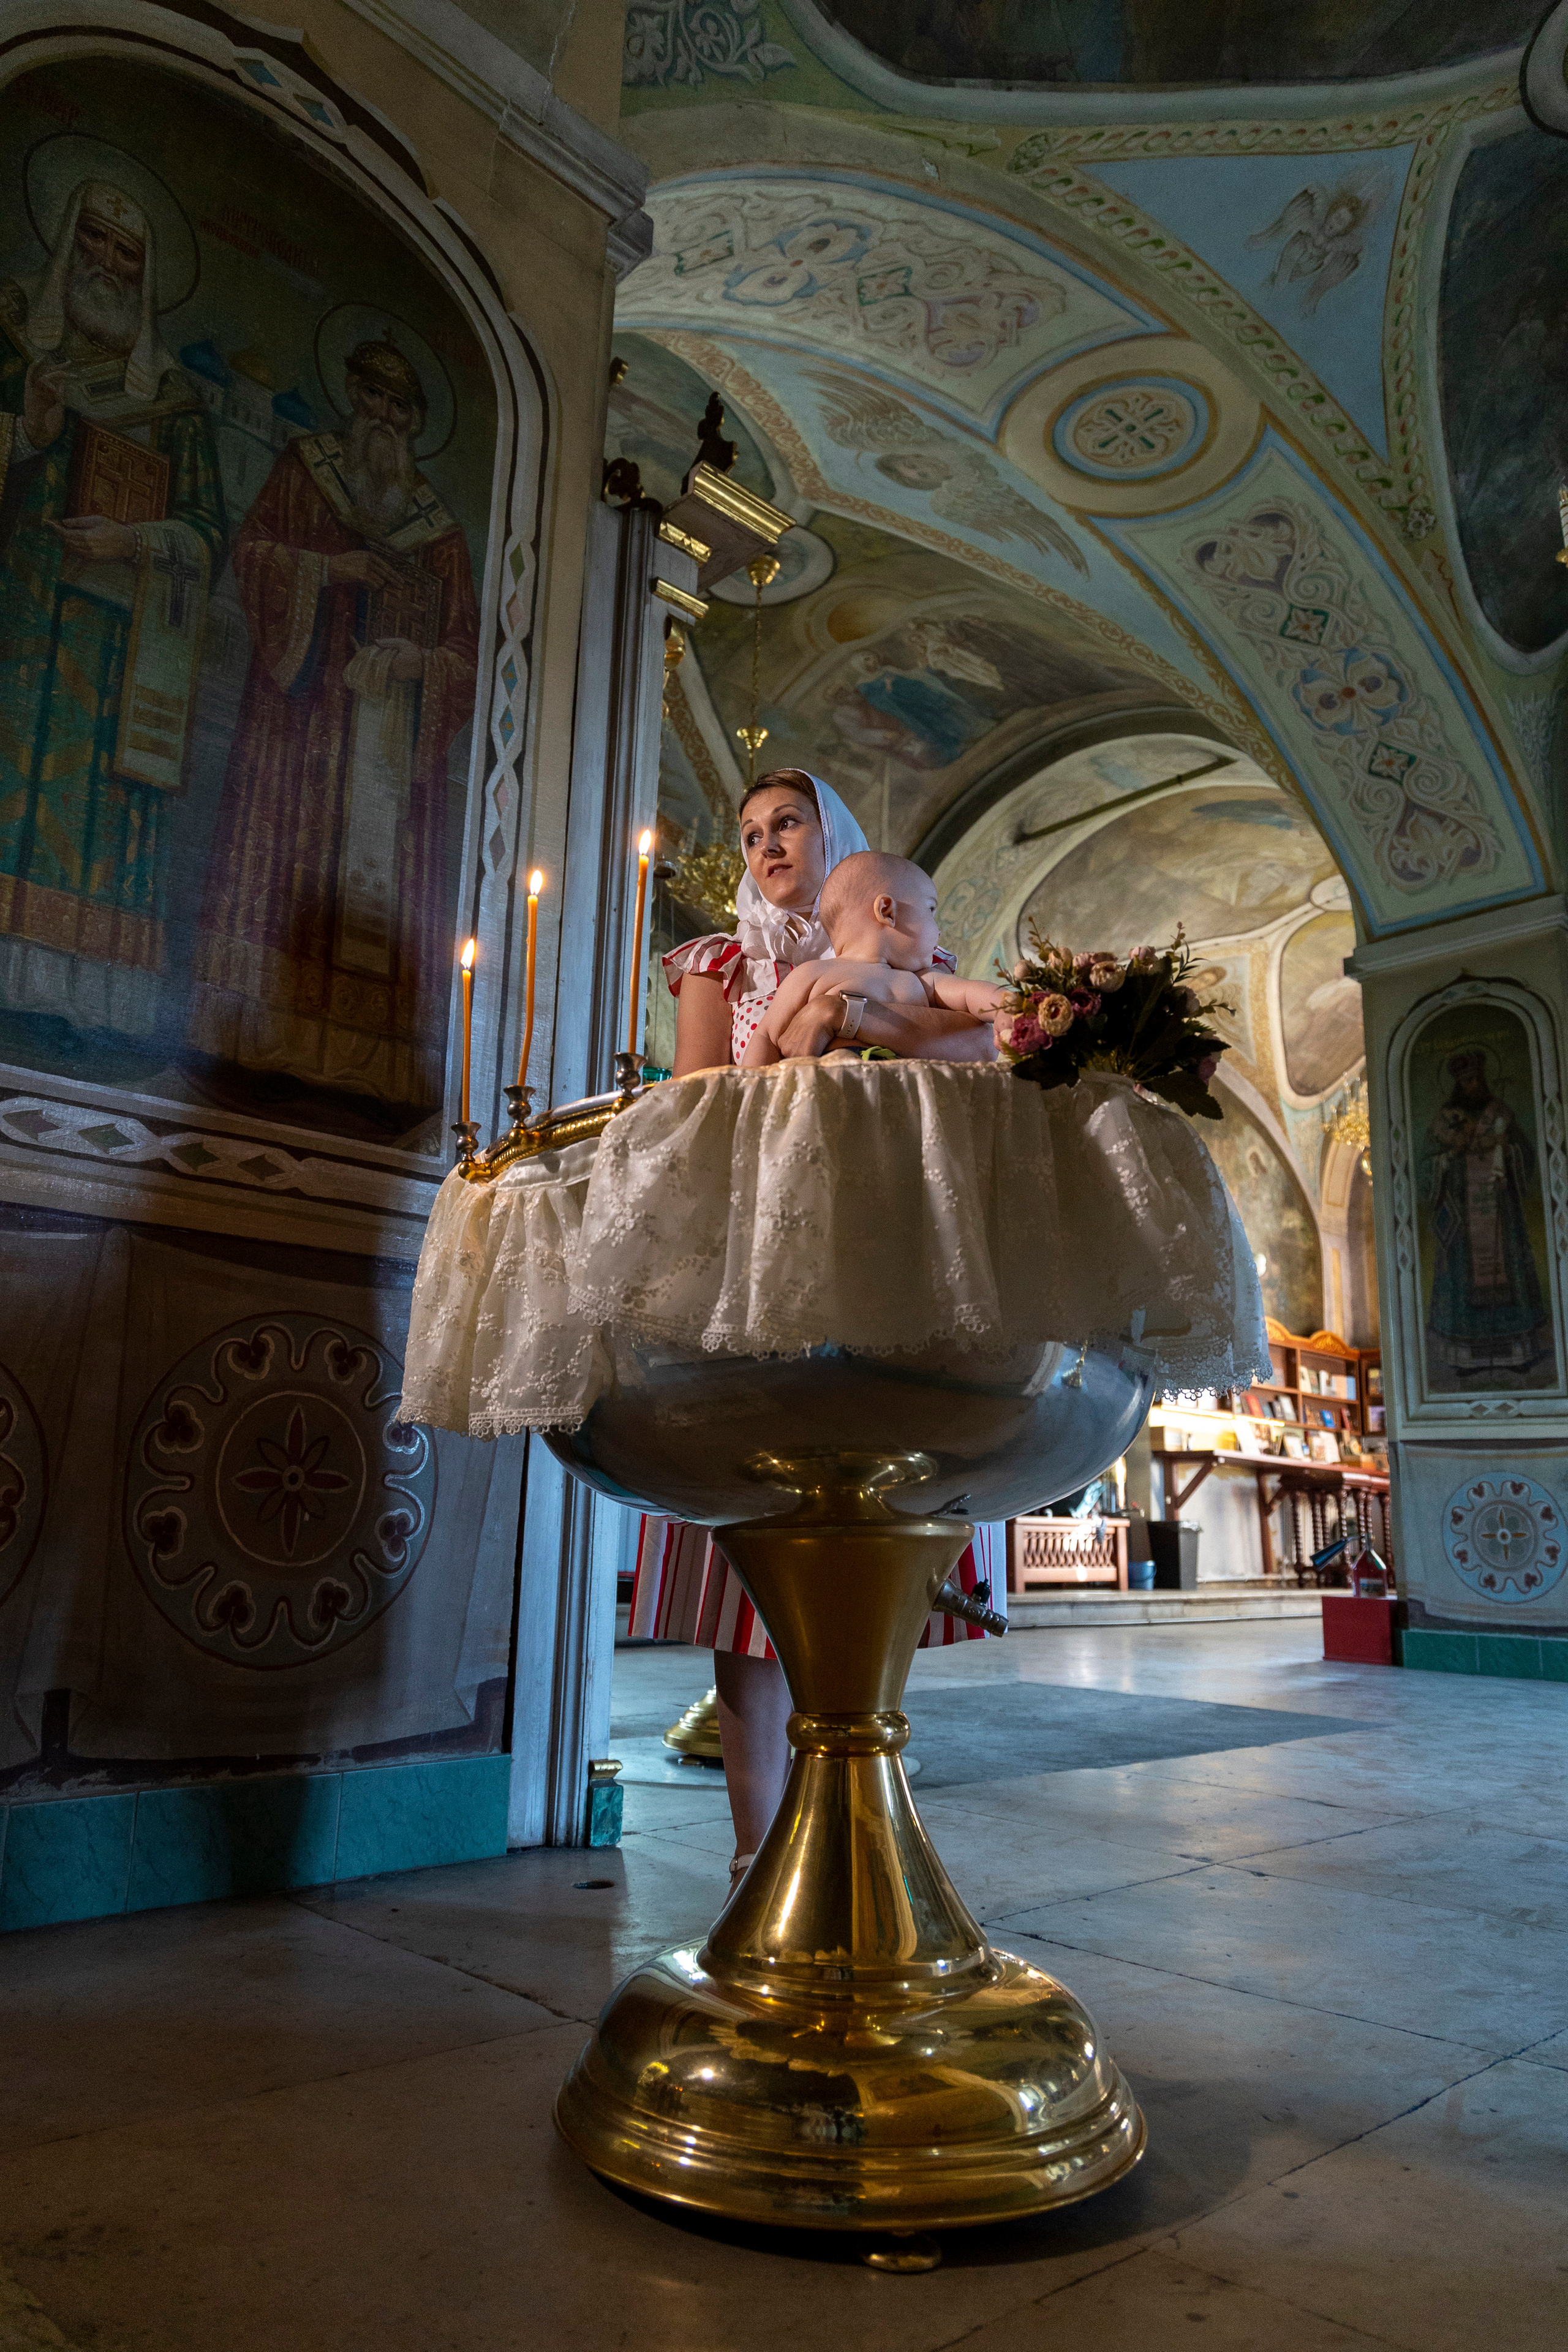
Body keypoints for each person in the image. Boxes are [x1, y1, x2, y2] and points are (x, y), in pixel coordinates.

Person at [629, 768, 1003, 1888]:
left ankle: (855, 1847)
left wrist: (875, 1021)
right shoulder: (721, 966)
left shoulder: (904, 952)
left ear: (833, 835)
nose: (764, 844)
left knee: (874, 1541)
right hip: (749, 1252)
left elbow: (978, 1054)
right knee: (744, 1559)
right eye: (747, 833)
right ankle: (757, 1861)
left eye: (785, 822)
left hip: (885, 1253)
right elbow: (697, 1103)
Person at [187, 335, 478, 1121]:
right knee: (284, 866)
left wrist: (419, 662)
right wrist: (330, 571)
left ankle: (361, 1068)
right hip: (299, 721)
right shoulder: (305, 469)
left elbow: (465, 651)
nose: (382, 417)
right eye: (372, 398)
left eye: (399, 406)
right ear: (352, 397)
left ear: (416, 422)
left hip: (387, 743)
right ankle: (256, 1044)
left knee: (369, 903)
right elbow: (250, 554)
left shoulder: (439, 532)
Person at [0, 174, 226, 1041]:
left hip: (121, 653)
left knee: (98, 816)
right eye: (92, 241)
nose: (107, 264)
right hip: (22, 622)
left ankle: (76, 1005)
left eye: (126, 252)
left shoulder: (172, 402)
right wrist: (30, 431)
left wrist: (132, 543)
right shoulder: (20, 345)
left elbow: (207, 531)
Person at [742, 848, 1006, 1067]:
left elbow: (973, 994)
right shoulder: (812, 974)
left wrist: (1009, 1006)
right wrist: (756, 1099)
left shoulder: (924, 981)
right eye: (931, 910)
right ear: (887, 911)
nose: (939, 929)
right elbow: (766, 1037)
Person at [1420, 1047, 1553, 1387]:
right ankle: (1464, 1358)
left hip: (1501, 1213)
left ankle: (1517, 1352)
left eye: (1476, 1078)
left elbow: (1526, 1157)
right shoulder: (1447, 1120)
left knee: (1510, 1272)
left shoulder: (1500, 1115)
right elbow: (1424, 1171)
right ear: (1457, 1084)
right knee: (1464, 1278)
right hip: (1464, 1223)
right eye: (1466, 1081)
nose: (1472, 1084)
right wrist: (1451, 1157)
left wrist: (1505, 1147)